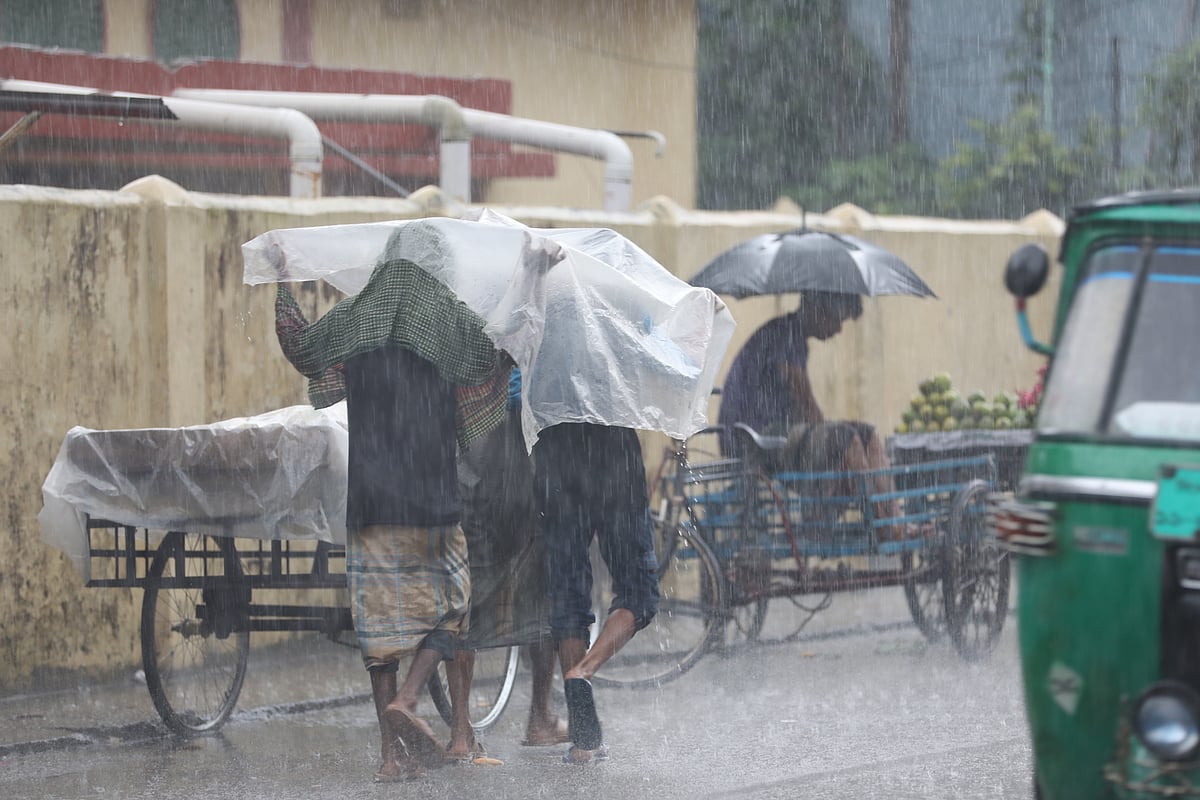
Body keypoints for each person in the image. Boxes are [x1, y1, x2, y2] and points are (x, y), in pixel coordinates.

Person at [273, 252, 508, 783]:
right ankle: (408, 699)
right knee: (452, 610)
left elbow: (301, 346)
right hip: (431, 501)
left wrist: (286, 283)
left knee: (379, 634)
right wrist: (533, 277)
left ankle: (390, 758)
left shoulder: (357, 329)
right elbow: (497, 357)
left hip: (370, 503)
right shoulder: (449, 329)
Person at [443, 368, 570, 763]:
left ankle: (461, 732)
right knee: (540, 590)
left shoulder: (463, 322)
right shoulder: (530, 321)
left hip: (472, 469)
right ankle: (540, 716)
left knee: (468, 597)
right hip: (520, 462)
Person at [717, 290, 901, 536]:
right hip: (752, 438)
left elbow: (804, 411)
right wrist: (833, 438)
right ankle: (884, 526)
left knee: (868, 435)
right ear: (818, 310)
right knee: (846, 439)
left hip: (776, 433)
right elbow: (803, 398)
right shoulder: (786, 335)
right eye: (837, 320)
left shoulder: (792, 335)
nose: (838, 330)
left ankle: (896, 521)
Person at [532, 420, 661, 764]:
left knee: (568, 596)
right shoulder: (615, 369)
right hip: (614, 448)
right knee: (640, 594)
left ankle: (582, 741)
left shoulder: (549, 365)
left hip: (555, 452)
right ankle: (583, 671)